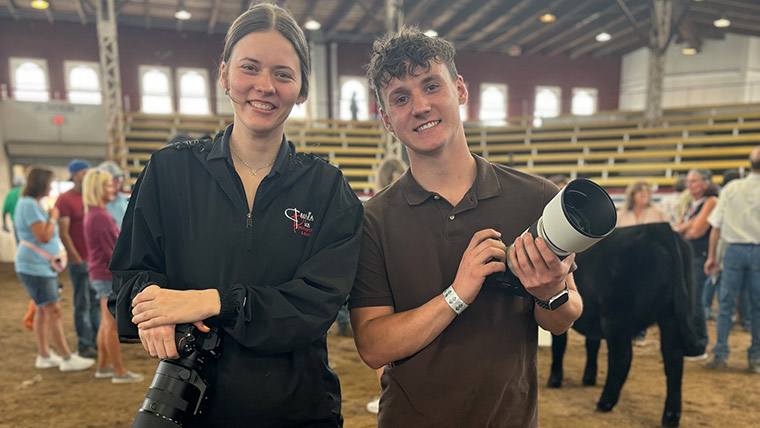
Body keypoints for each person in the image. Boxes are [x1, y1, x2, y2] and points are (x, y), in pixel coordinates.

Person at [110, 4, 363, 427]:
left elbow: (315, 306)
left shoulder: (327, 188)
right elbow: (129, 279)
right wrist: (149, 307)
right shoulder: (169, 171)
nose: (264, 86)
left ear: (301, 90)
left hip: (298, 410)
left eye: (283, 74)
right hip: (191, 409)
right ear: (224, 74)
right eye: (250, 68)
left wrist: (211, 301)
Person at [349, 27, 582, 427]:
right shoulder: (373, 219)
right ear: (387, 119)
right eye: (401, 98)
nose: (420, 106)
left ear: (459, 89)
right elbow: (372, 346)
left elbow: (564, 317)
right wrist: (457, 294)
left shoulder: (537, 196)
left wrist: (550, 292)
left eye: (431, 86)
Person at [14, 166, 95, 372]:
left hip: (38, 265)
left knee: (43, 309)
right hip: (35, 266)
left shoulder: (30, 204)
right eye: (49, 182)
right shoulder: (30, 206)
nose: (51, 186)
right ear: (41, 183)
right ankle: (66, 357)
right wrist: (52, 217)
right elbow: (43, 236)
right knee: (53, 310)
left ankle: (44, 354)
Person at [82, 169, 143, 384]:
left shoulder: (95, 213)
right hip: (106, 274)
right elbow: (113, 251)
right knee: (111, 324)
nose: (113, 188)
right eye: (108, 186)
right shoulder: (99, 216)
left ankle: (104, 366)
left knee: (104, 323)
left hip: (99, 272)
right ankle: (119, 372)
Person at [703, 147, 760, 372]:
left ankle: (721, 354)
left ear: (749, 164)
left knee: (725, 305)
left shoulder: (732, 188)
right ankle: (756, 358)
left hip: (733, 250)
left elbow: (716, 227)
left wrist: (712, 257)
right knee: (758, 308)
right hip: (757, 251)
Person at [616, 180, 671, 346]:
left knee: (645, 298)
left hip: (650, 264)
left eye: (647, 193)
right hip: (625, 262)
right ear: (633, 196)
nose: (645, 195)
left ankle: (640, 331)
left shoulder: (658, 213)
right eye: (641, 193)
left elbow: (669, 235)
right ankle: (626, 329)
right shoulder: (621, 214)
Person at [55, 158, 99, 359]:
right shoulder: (64, 199)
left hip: (95, 260)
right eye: (83, 173)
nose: (87, 176)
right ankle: (85, 344)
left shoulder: (91, 196)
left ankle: (98, 341)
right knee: (82, 303)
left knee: (97, 302)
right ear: (74, 175)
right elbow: (63, 232)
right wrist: (76, 257)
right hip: (81, 259)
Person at [674, 168, 718, 361]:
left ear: (706, 183)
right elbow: (679, 228)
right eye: (689, 181)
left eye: (694, 181)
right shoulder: (691, 203)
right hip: (688, 255)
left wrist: (685, 227)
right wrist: (686, 226)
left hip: (699, 255)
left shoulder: (711, 202)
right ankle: (691, 341)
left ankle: (699, 344)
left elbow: (697, 231)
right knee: (687, 299)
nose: (689, 185)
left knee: (696, 300)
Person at [97, 161, 129, 228]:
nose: (118, 180)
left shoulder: (123, 199)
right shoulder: (98, 203)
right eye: (114, 178)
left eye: (119, 177)